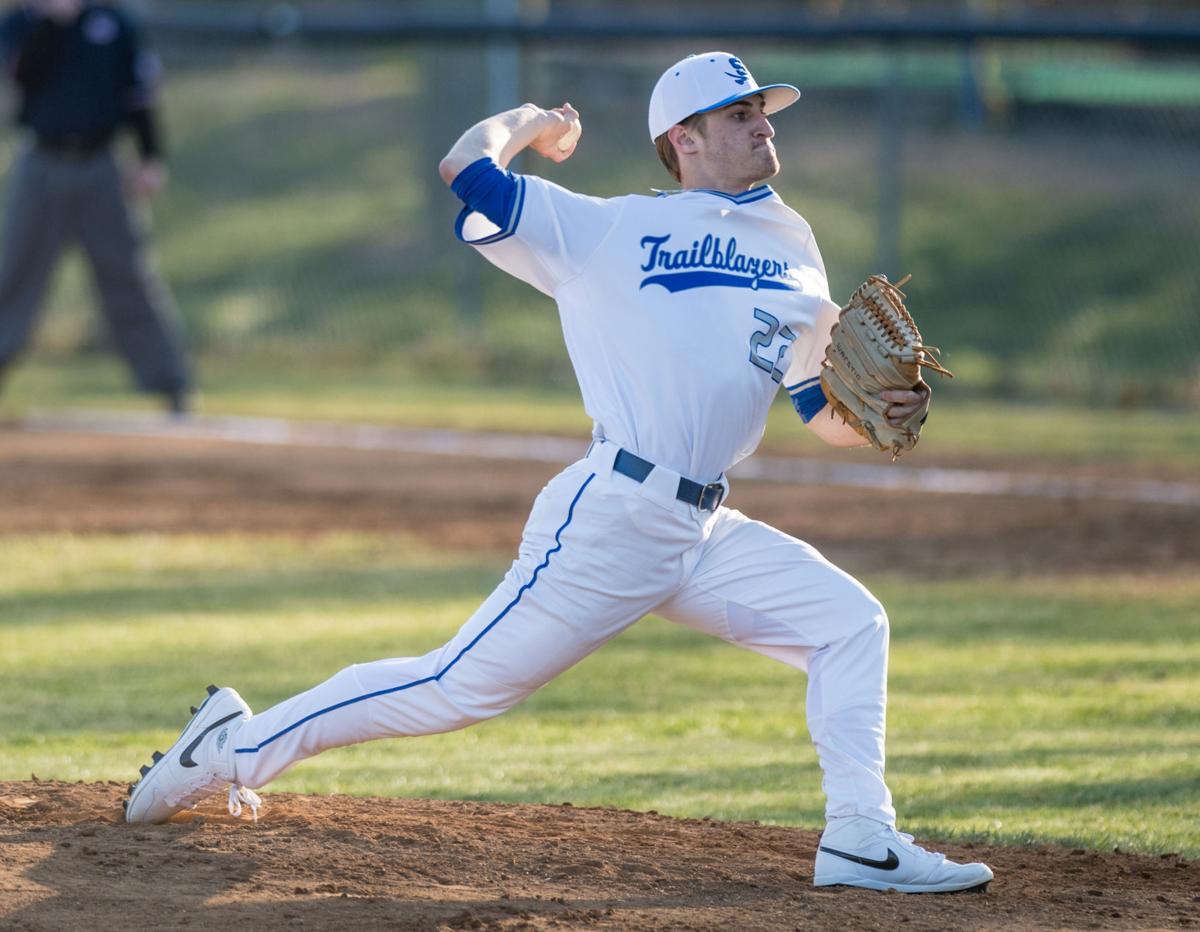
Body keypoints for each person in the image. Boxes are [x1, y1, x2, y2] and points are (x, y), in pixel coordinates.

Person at [124, 51, 993, 894]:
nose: (763, 123)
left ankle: (859, 839)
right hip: (614, 515)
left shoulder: (796, 243)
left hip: (702, 529)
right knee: (454, 687)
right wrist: (535, 125)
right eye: (741, 113)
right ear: (682, 139)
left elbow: (820, 411)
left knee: (849, 623)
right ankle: (232, 748)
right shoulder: (611, 227)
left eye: (764, 109)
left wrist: (877, 420)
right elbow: (466, 167)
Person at [0, 0, 192, 413]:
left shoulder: (113, 23)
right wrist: (53, 24)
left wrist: (150, 156)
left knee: (128, 275)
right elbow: (22, 78)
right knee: (14, 274)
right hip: (41, 165)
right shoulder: (21, 23)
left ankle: (169, 382)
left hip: (102, 165)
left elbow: (138, 95)